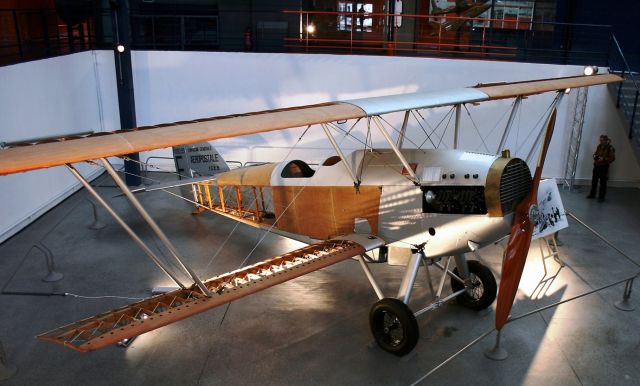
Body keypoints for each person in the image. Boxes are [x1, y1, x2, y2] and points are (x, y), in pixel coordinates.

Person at [587, 134, 615, 202]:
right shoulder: (599, 146)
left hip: (604, 167)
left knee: (603, 182)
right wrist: (595, 156)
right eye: (600, 140)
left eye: (602, 140)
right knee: (594, 181)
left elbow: (612, 158)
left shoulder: (610, 148)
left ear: (606, 140)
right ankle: (592, 194)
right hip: (597, 166)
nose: (600, 141)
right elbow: (596, 153)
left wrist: (604, 159)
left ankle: (601, 197)